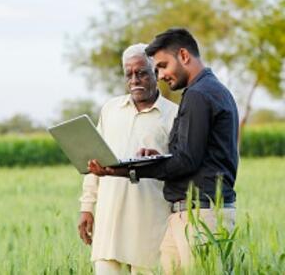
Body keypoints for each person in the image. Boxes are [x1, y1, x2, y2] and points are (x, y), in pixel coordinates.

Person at [88, 28, 239, 274]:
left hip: (202, 214)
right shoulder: (207, 91)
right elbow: (188, 153)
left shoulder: (199, 95)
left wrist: (126, 170)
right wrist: (154, 158)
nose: (161, 75)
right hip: (186, 213)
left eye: (162, 66)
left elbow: (186, 161)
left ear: (183, 55)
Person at [78, 43, 178, 275]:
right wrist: (86, 208)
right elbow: (93, 162)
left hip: (151, 226)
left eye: (141, 72)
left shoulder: (173, 115)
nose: (134, 79)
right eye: (129, 74)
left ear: (156, 73)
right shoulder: (110, 109)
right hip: (108, 225)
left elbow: (178, 169)